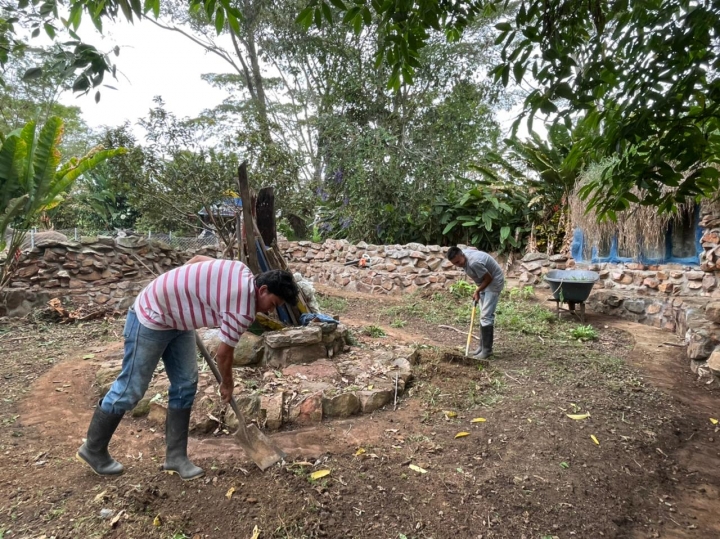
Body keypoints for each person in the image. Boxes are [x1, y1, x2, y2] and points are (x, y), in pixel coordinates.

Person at [76, 256, 299, 480]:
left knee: (185, 384)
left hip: (178, 321)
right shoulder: (241, 309)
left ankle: (176, 458)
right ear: (262, 290)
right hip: (152, 315)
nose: (271, 311)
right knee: (131, 388)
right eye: (273, 304)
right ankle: (93, 449)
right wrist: (227, 383)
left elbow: (197, 260)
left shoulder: (239, 268)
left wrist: (181, 295)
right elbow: (224, 354)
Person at [447, 246, 505, 359]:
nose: (458, 265)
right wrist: (479, 290)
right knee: (483, 316)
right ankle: (481, 347)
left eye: (458, 262)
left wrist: (477, 290)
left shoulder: (474, 263)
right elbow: (474, 248)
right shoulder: (465, 253)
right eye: (455, 264)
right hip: (483, 283)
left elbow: (489, 278)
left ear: (462, 255)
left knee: (486, 316)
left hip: (493, 282)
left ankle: (487, 351)